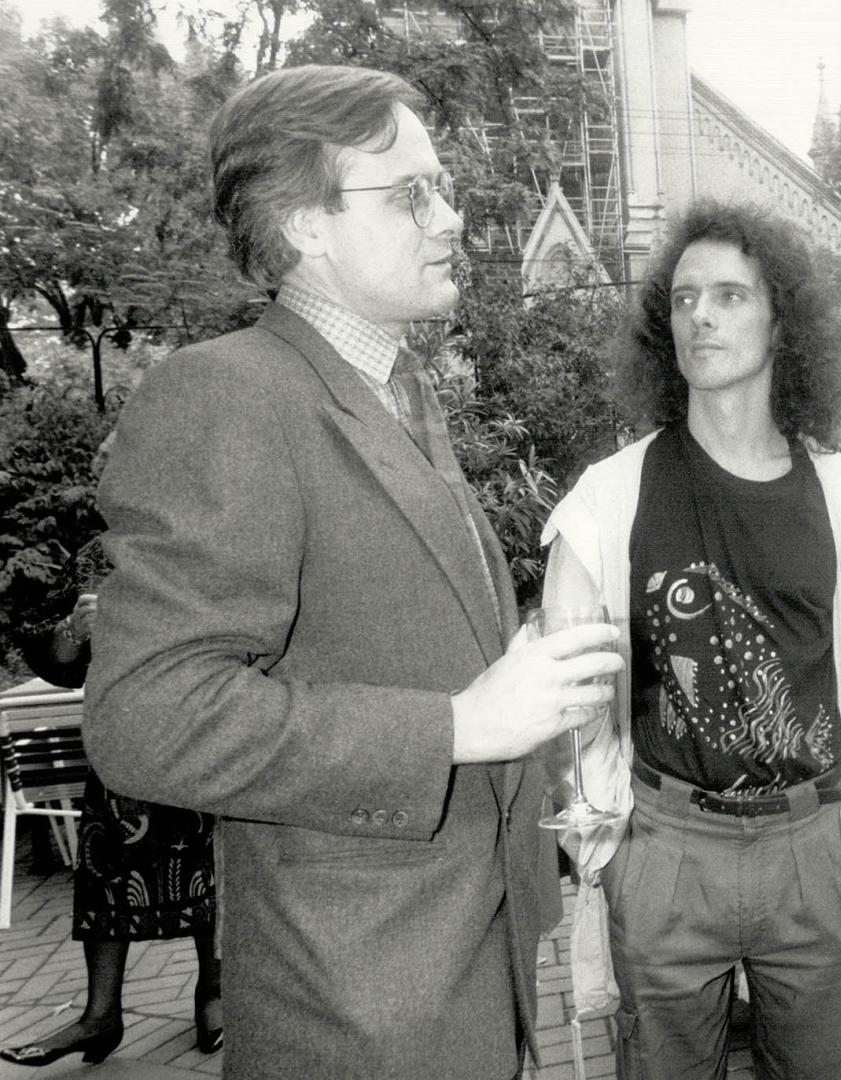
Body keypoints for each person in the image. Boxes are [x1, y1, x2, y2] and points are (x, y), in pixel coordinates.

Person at [83, 64, 622, 1080]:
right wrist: (460, 725)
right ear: (303, 225)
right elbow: (145, 716)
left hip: (463, 975)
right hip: (354, 1011)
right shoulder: (228, 398)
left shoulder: (392, 388)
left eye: (442, 187)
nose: (451, 217)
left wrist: (522, 694)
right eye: (409, 193)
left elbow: (385, 643)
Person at [540, 200, 841, 1079]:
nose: (701, 317)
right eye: (682, 300)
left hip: (816, 853)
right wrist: (608, 844)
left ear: (780, 320)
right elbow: (568, 701)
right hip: (667, 852)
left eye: (729, 296)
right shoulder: (610, 498)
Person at [2, 511, 222, 1068]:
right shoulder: (98, 556)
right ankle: (101, 1016)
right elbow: (60, 669)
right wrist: (77, 631)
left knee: (209, 865)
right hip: (121, 746)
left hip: (200, 733)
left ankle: (213, 994)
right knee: (105, 867)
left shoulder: (210, 543)